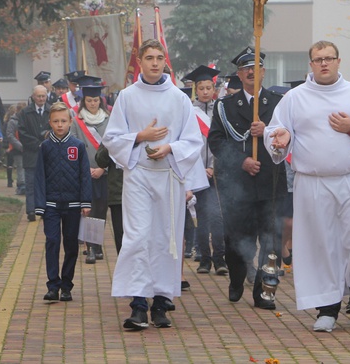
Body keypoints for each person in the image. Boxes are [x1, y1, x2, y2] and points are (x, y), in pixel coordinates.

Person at [264, 40, 350, 332]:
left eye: (329, 58)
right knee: (323, 245)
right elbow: (277, 128)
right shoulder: (295, 98)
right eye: (318, 59)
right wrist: (281, 137)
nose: (324, 63)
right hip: (313, 183)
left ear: (338, 61)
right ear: (311, 64)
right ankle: (328, 309)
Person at [102, 39, 207, 330]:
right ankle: (138, 304)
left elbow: (193, 140)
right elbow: (112, 138)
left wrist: (170, 148)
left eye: (160, 57)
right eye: (149, 57)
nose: (155, 63)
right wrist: (140, 137)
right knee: (137, 236)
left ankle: (160, 303)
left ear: (165, 61)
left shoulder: (178, 98)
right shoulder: (127, 96)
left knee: (166, 237)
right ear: (139, 61)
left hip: (169, 176)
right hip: (138, 174)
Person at [208, 49, 288, 310]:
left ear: (264, 72)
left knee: (271, 240)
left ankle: (263, 293)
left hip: (270, 182)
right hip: (238, 186)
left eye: (257, 67)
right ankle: (237, 277)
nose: (252, 72)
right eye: (246, 69)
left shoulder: (279, 103)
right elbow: (216, 141)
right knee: (235, 241)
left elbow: (290, 136)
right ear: (240, 75)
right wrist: (241, 161)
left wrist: (268, 131)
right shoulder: (225, 106)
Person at [34, 102, 92, 302]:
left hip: (73, 205)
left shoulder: (78, 146)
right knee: (52, 242)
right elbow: (39, 177)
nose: (60, 125)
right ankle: (53, 285)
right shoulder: (45, 147)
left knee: (71, 245)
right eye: (56, 121)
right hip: (50, 205)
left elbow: (85, 175)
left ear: (70, 122)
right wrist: (39, 205)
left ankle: (66, 285)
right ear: (50, 122)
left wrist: (86, 202)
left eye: (63, 121)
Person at [183, 65, 227, 276]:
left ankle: (220, 259)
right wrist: (201, 169)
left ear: (214, 88)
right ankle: (204, 260)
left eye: (209, 87)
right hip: (197, 171)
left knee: (217, 217)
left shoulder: (221, 110)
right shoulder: (190, 112)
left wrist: (213, 166)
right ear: (196, 90)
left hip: (217, 172)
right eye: (201, 88)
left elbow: (224, 143)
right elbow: (189, 145)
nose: (206, 91)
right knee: (201, 217)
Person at [69, 79, 109, 264]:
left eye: (95, 100)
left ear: (100, 100)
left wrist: (103, 168)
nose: (92, 104)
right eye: (89, 101)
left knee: (101, 209)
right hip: (86, 172)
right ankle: (90, 248)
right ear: (83, 101)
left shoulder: (109, 120)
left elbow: (114, 147)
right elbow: (75, 147)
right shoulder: (77, 122)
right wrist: (87, 169)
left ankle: (98, 245)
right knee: (89, 209)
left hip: (105, 172)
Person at [18, 85, 51, 221]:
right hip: (31, 154)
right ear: (33, 97)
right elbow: (22, 132)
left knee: (46, 184)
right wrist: (37, 143)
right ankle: (31, 210)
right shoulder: (25, 112)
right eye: (39, 96)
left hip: (48, 154)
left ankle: (44, 209)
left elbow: (56, 129)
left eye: (43, 96)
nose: (41, 98)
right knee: (30, 183)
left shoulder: (52, 111)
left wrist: (47, 142)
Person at [95, 144, 124, 254]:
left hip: (142, 194)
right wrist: (111, 144)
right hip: (118, 194)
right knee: (120, 234)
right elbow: (101, 161)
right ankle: (123, 268)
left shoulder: (145, 132)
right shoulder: (113, 133)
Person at [5, 102, 26, 195]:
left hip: (27, 147)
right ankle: (21, 185)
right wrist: (19, 145)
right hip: (17, 148)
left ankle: (25, 183)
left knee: (26, 167)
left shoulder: (26, 120)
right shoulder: (12, 121)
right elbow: (10, 135)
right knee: (20, 166)